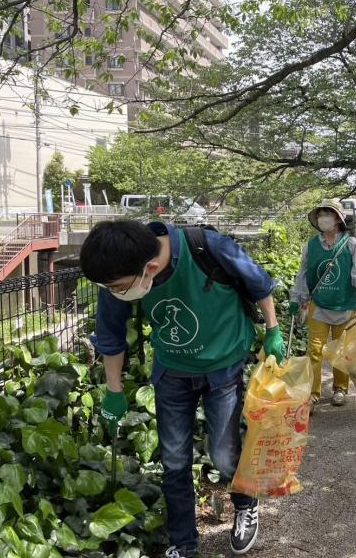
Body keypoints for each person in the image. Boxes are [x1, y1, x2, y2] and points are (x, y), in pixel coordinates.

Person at [80, 220, 286, 558]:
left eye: (117, 287)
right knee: (174, 461)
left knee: (223, 453)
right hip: (172, 371)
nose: (115, 293)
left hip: (224, 364)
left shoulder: (208, 247)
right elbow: (111, 336)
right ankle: (183, 543)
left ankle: (246, 503)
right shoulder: (121, 274)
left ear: (150, 267)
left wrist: (273, 330)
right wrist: (114, 390)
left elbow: (259, 283)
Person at [290, 200, 356, 411]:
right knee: (315, 351)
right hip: (318, 305)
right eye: (321, 214)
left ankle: (340, 389)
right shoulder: (311, 245)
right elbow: (303, 273)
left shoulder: (350, 244)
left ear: (337, 219)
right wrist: (296, 298)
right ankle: (313, 393)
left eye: (328, 213)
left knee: (341, 351)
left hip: (344, 305)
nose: (323, 218)